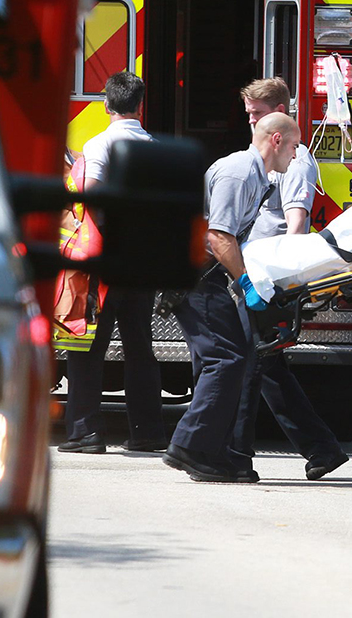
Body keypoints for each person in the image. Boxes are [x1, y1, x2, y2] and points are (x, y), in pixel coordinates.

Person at [164, 112, 301, 482]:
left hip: (205, 274)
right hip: (196, 275)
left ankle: (213, 453)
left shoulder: (258, 177)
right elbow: (219, 235)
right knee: (226, 358)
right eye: (293, 145)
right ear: (275, 141)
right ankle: (190, 447)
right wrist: (245, 282)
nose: (296, 152)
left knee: (231, 356)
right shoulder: (239, 173)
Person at [233, 78, 349, 482]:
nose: (252, 123)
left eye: (258, 115)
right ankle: (322, 449)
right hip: (257, 269)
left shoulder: (295, 162)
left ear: (281, 111)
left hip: (270, 275)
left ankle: (236, 454)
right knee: (266, 366)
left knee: (253, 362)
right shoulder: (268, 154)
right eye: (249, 116)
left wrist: (277, 283)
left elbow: (295, 225)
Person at [59, 71, 167, 455]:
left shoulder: (99, 145)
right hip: (141, 263)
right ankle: (147, 432)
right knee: (140, 347)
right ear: (140, 105)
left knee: (86, 347)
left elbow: (90, 198)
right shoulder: (157, 147)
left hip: (102, 262)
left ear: (106, 105)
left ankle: (86, 433)